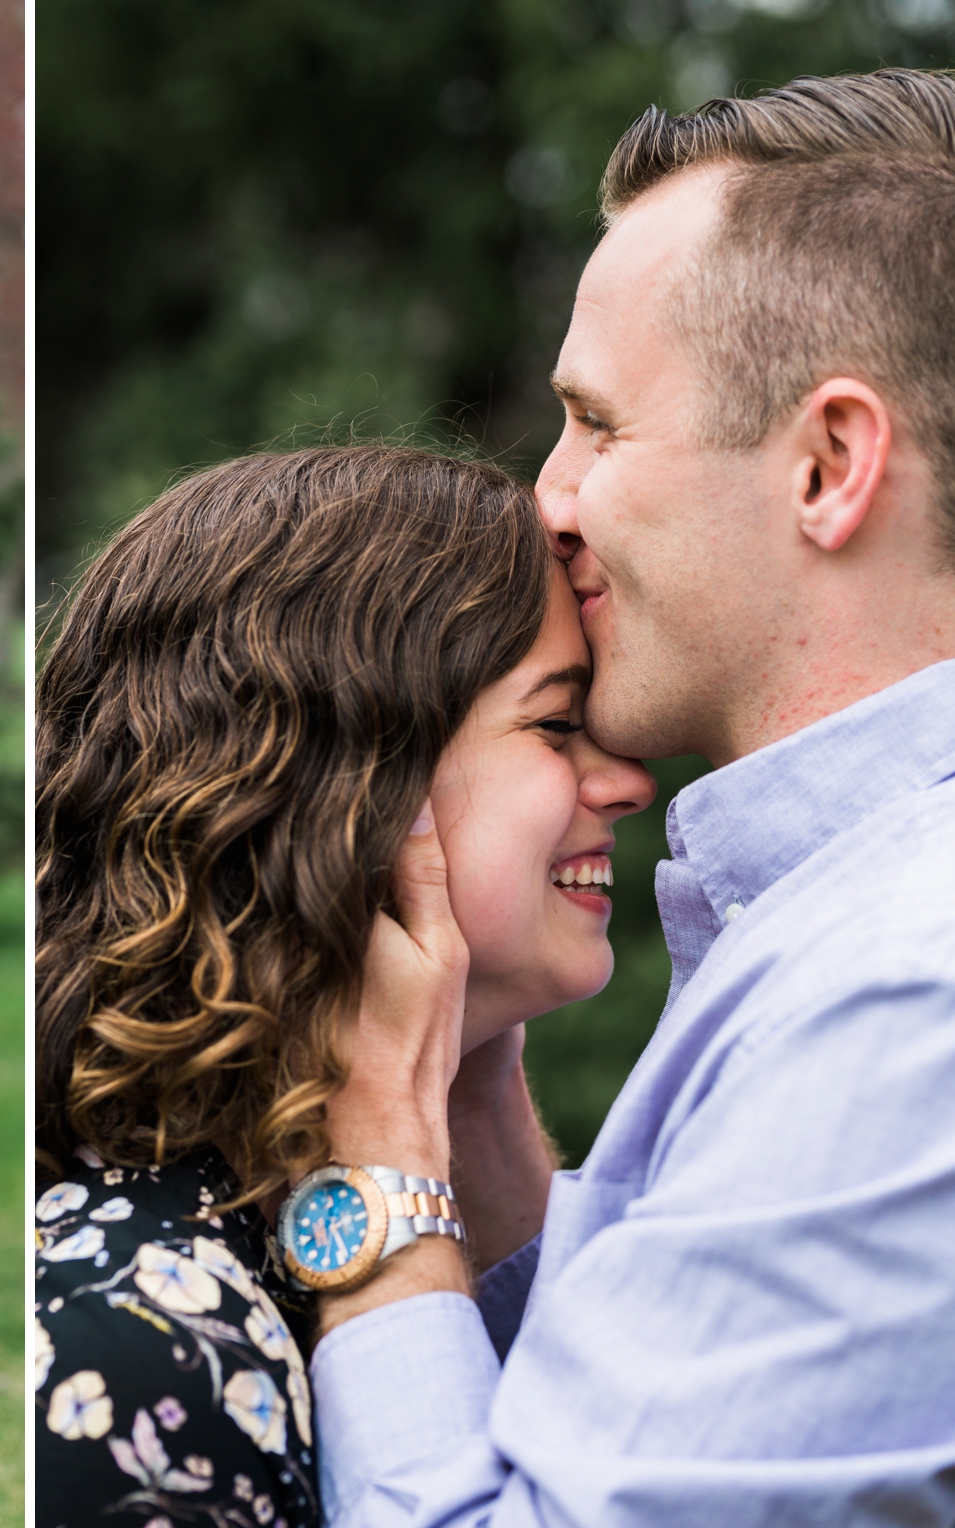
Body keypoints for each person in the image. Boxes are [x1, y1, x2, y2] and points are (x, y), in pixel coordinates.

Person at [308, 70, 955, 1526]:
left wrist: (380, 1173)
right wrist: (473, 1101)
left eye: (596, 422)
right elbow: (638, 1395)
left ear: (830, 465)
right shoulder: (906, 907)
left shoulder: (924, 1003)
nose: (547, 494)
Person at [33, 444, 654, 1527]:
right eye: (556, 723)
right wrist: (390, 1184)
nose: (627, 780)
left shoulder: (229, 1234)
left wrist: (459, 1097)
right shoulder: (140, 1343)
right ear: (346, 792)